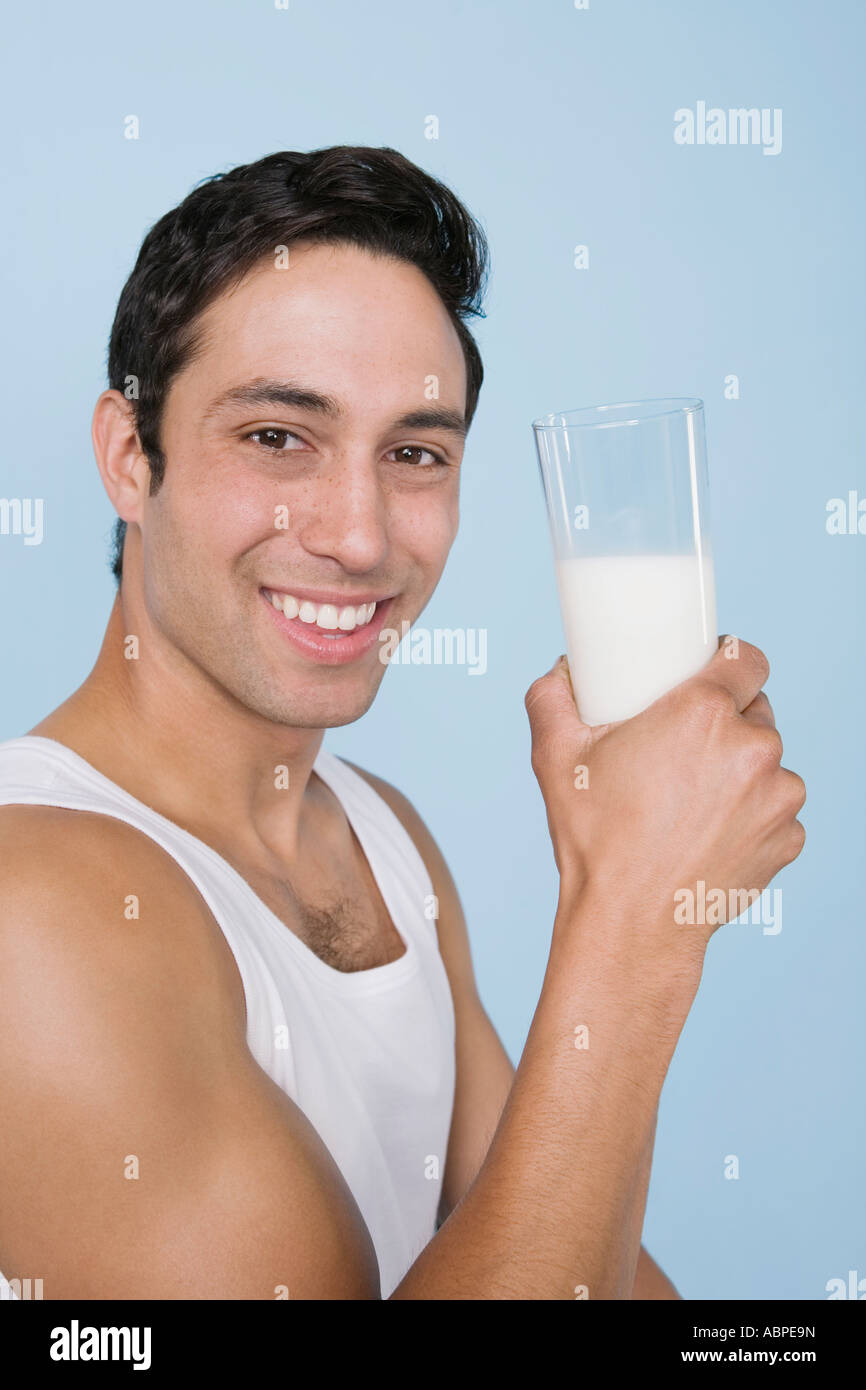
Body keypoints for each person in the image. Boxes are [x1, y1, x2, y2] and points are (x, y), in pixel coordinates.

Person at [0, 146, 805, 1300]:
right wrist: (635, 921)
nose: (362, 536)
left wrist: (645, 895)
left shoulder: (381, 840)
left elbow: (589, 1276)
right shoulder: (31, 906)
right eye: (278, 436)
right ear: (132, 457)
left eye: (414, 453)